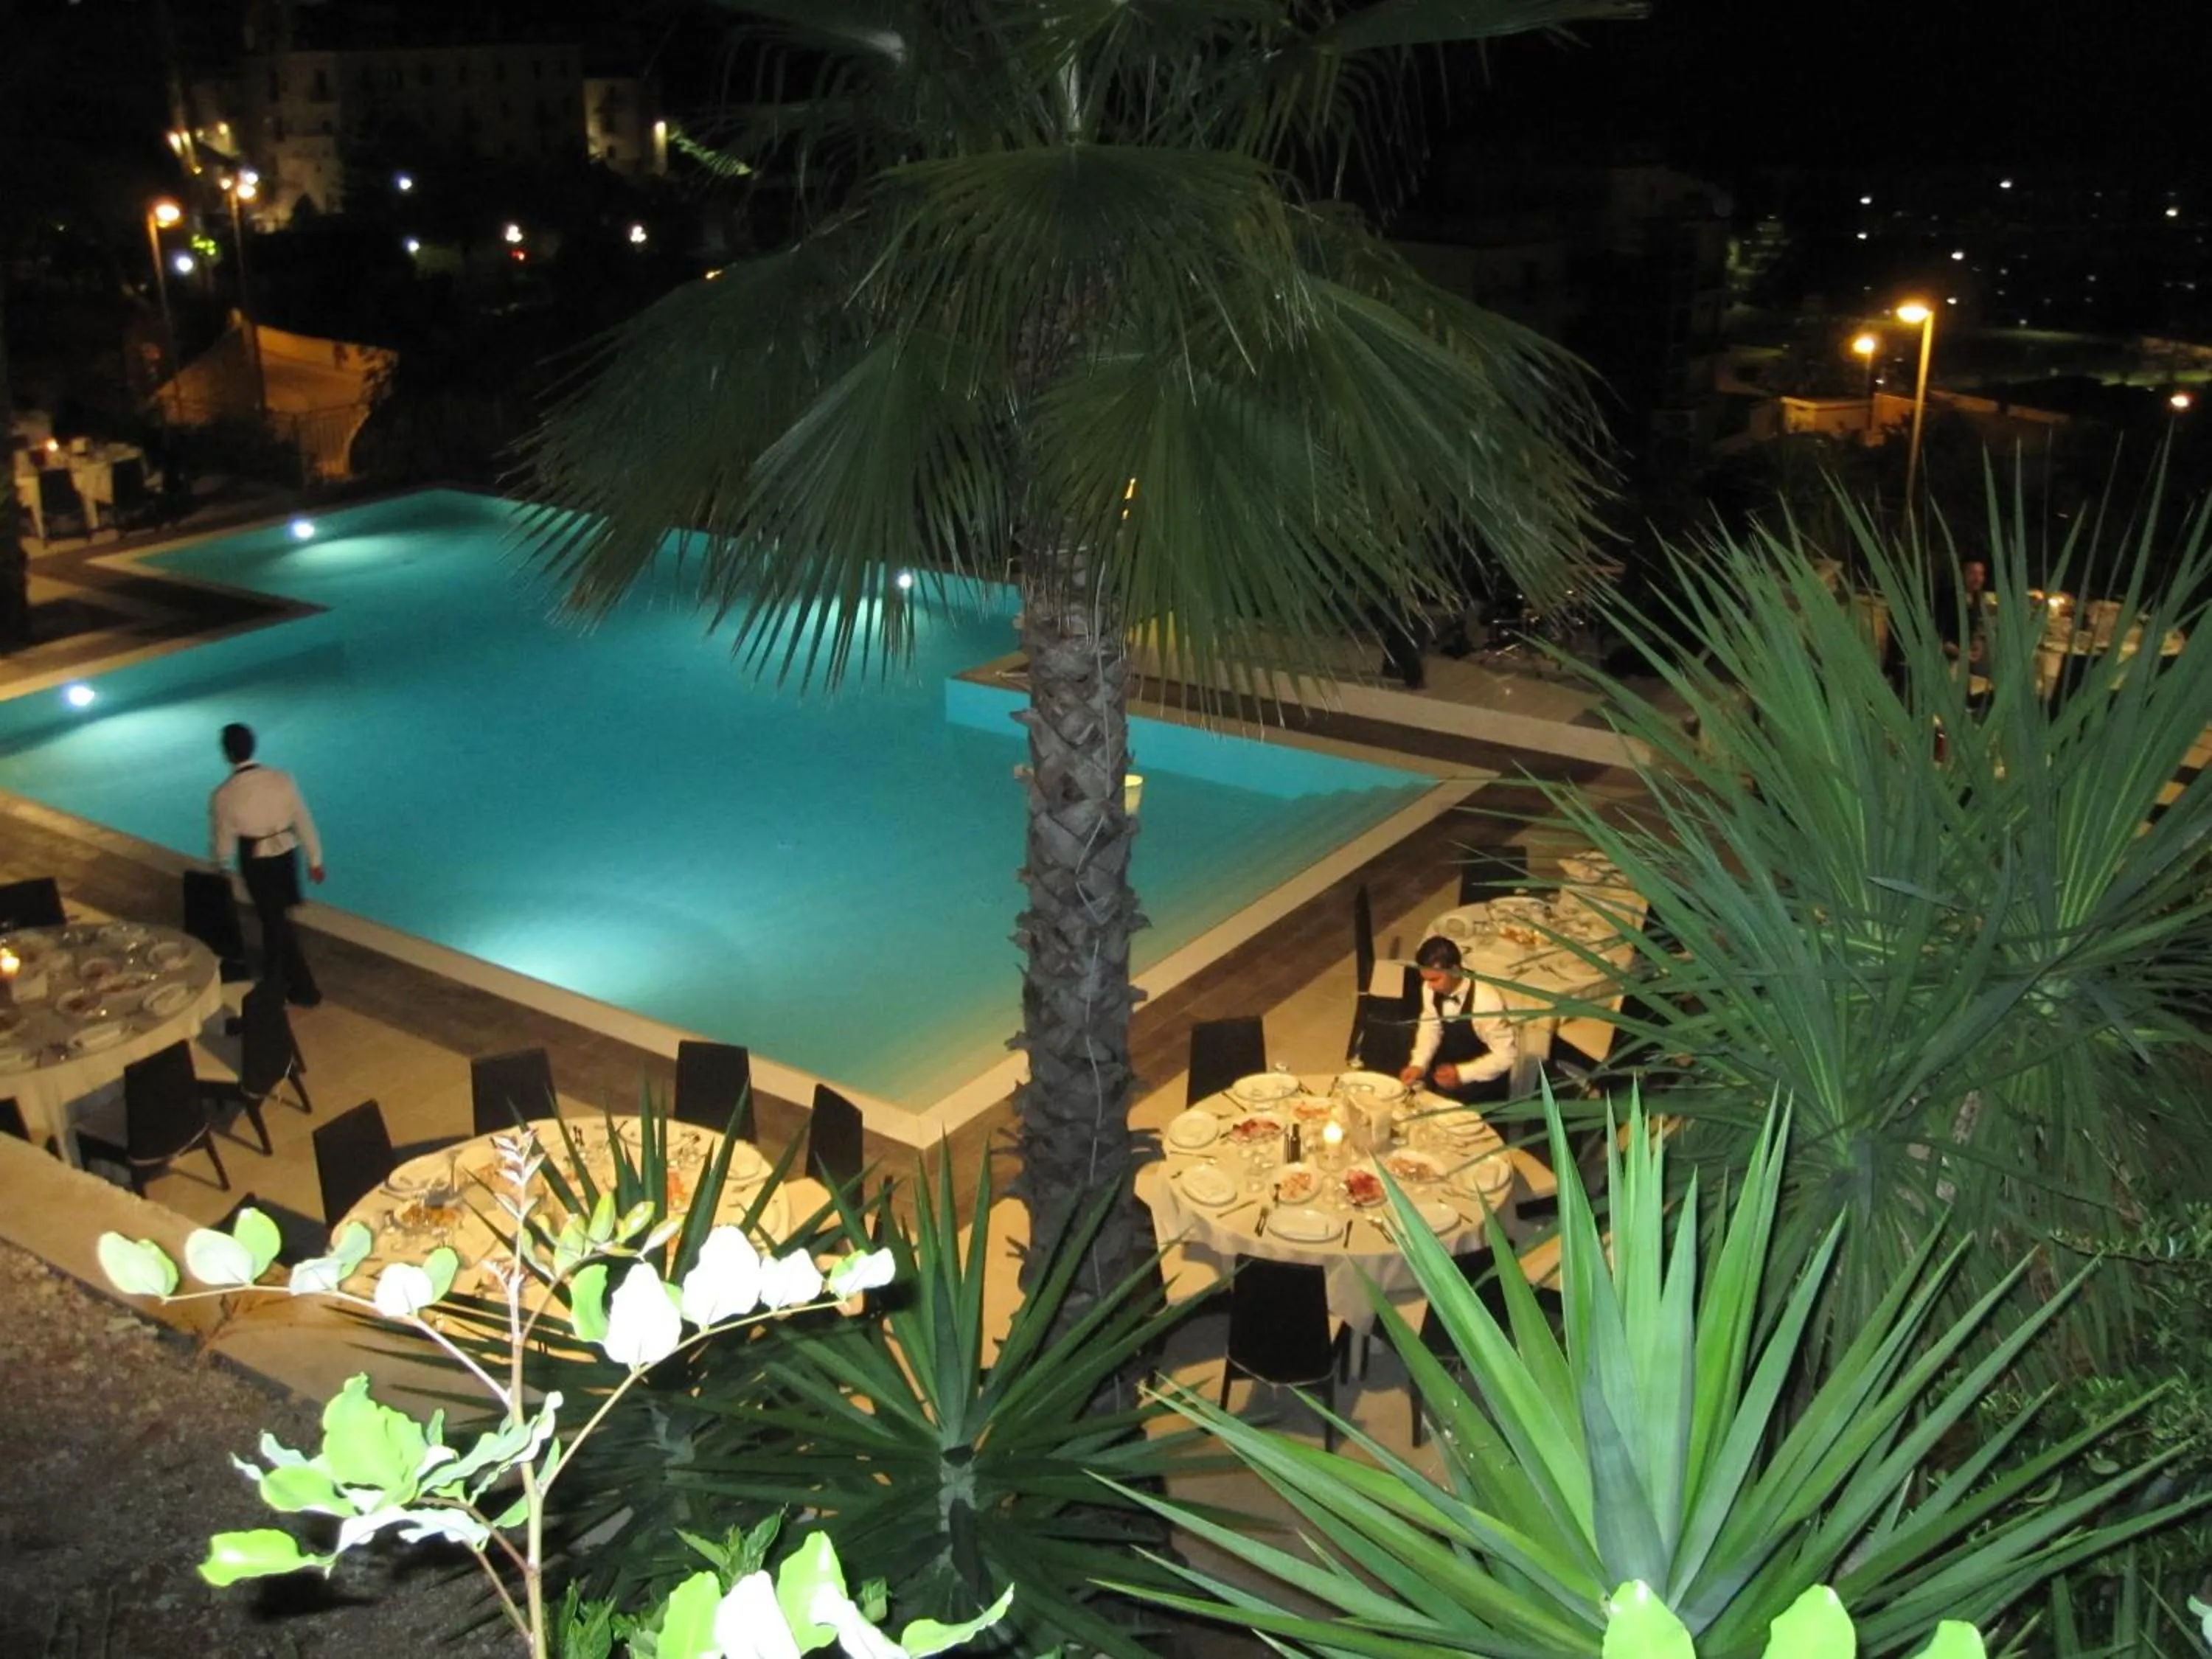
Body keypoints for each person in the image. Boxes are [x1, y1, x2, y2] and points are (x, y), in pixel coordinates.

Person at [209, 722, 324, 1007]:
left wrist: (222, 865)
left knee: (273, 923)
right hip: (285, 855)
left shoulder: (224, 795)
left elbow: (223, 837)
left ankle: (288, 988)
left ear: (228, 754)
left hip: (256, 860)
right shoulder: (282, 779)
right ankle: (294, 985)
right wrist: (315, 859)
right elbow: (302, 819)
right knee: (278, 921)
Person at [1399, 935, 1517, 1103]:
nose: (1430, 986)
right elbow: (1430, 1027)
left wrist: (1462, 1074)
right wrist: (1419, 1063)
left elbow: (1506, 1056)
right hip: (1444, 1077)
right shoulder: (1430, 988)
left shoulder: (1486, 1000)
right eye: (1426, 979)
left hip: (1482, 1086)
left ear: (1455, 970)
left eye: (1435, 979)